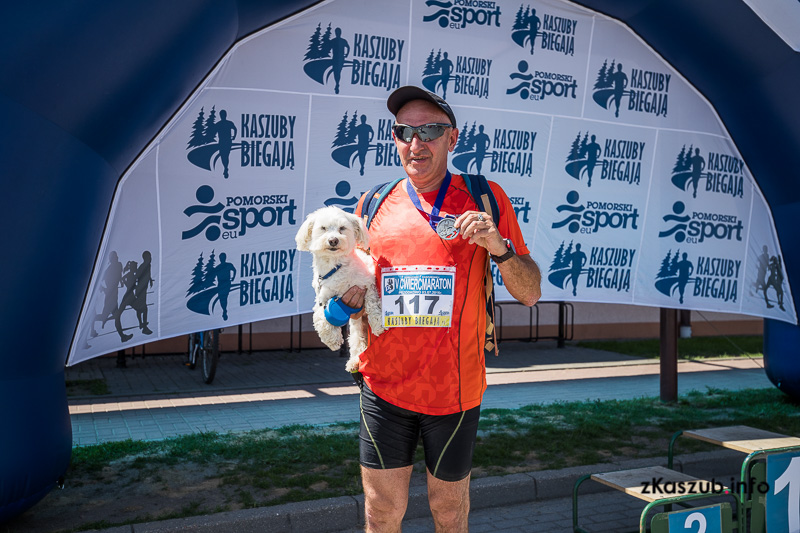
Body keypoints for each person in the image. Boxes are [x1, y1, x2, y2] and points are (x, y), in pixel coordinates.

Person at [340, 86, 541, 531]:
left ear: (452, 138)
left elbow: (530, 293)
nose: (416, 143)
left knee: (449, 514)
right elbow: (357, 292)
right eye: (404, 132)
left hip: (453, 391)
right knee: (381, 513)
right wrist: (348, 303)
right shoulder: (372, 205)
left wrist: (500, 248)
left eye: (430, 131)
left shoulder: (485, 198)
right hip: (383, 386)